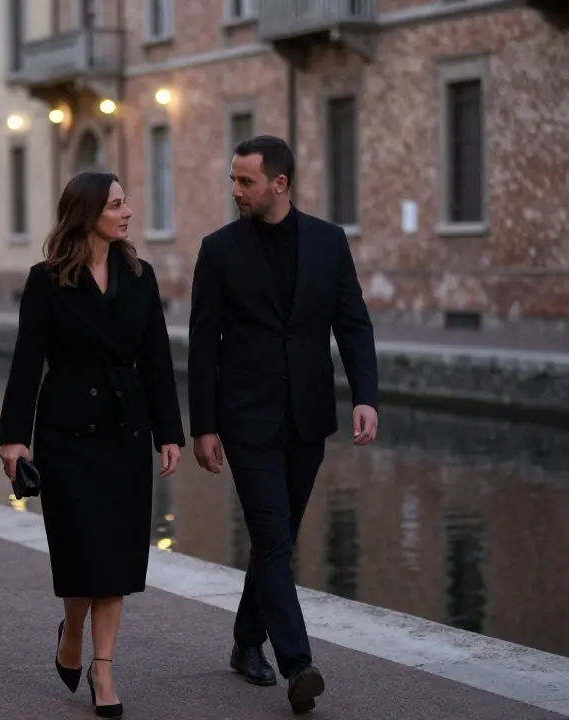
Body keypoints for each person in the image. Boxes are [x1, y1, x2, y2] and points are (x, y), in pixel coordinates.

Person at [187, 135, 379, 715]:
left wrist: (365, 396)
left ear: (279, 184)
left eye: (245, 181)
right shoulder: (218, 250)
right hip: (245, 418)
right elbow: (202, 343)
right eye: (232, 180)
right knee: (272, 537)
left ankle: (247, 641)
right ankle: (298, 663)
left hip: (308, 416)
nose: (235, 191)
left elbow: (353, 322)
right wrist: (204, 424)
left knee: (279, 539)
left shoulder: (329, 242)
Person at [0, 171, 185, 719]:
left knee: (117, 556)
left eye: (126, 202)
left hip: (125, 432)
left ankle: (104, 669)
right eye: (116, 205)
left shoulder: (139, 275)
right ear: (87, 214)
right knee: (82, 549)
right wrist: (14, 438)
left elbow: (156, 359)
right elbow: (27, 361)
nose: (127, 213)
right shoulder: (47, 279)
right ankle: (71, 631)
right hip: (66, 435)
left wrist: (168, 433)